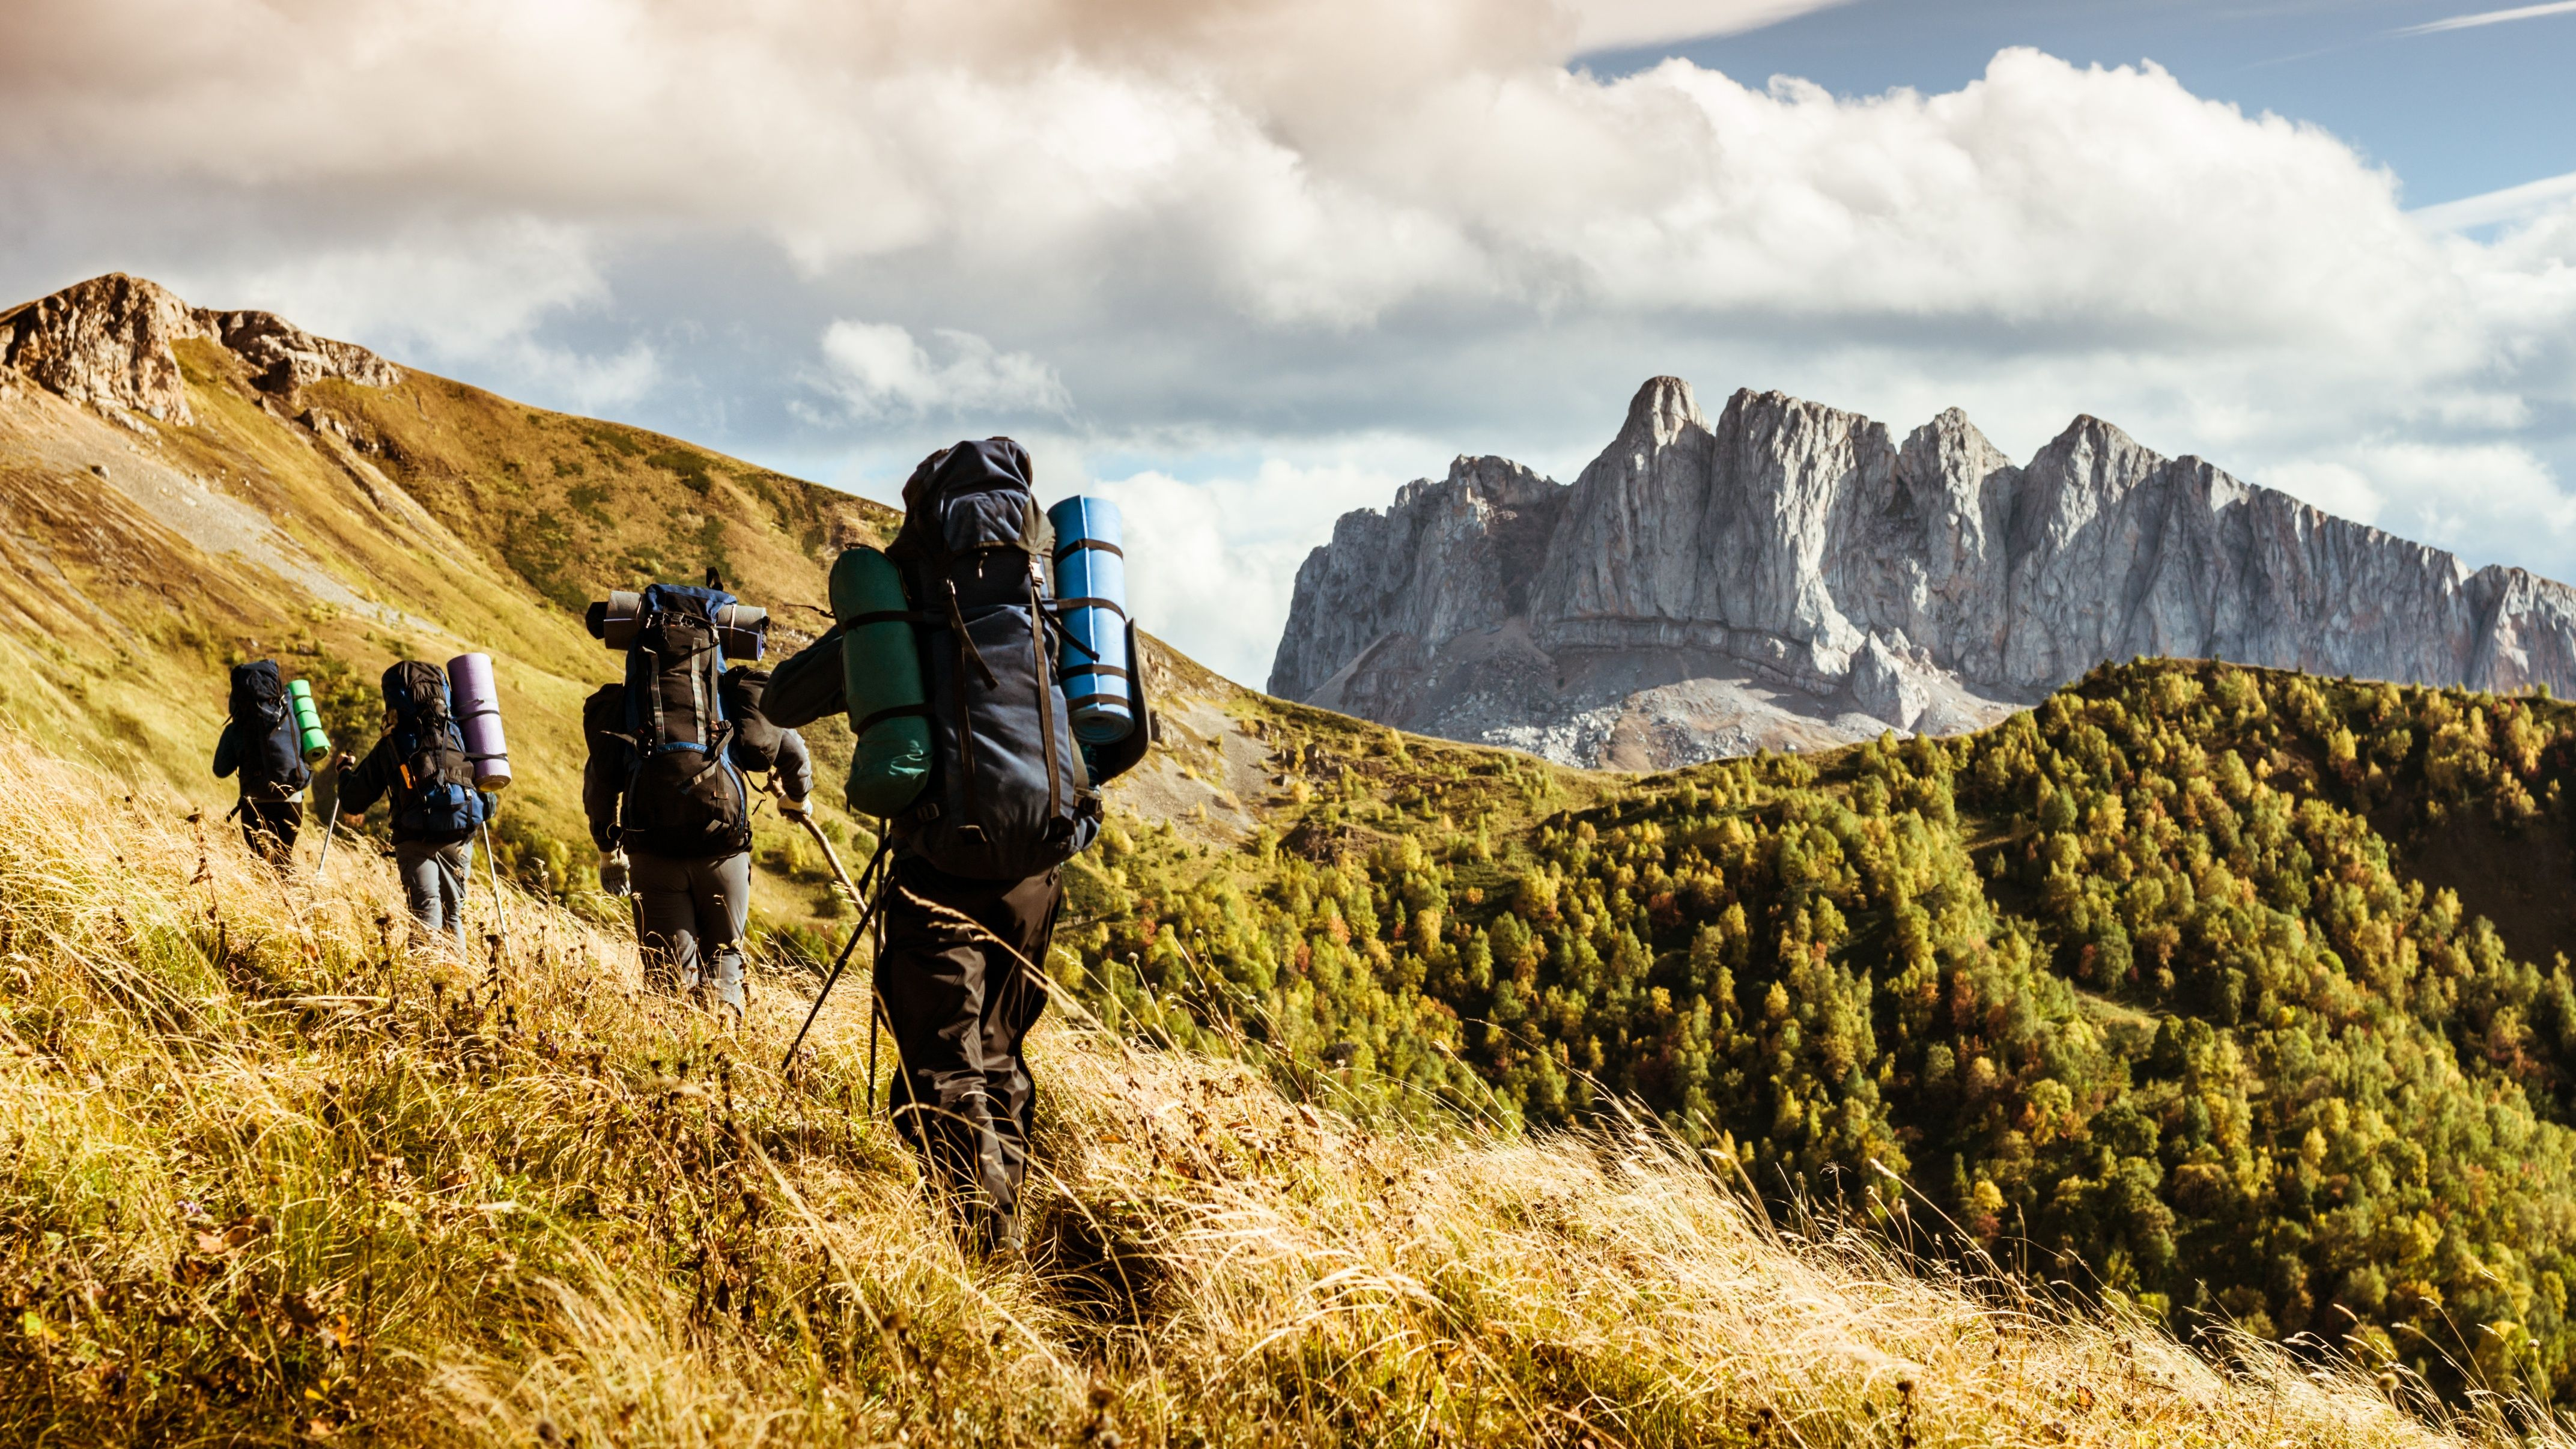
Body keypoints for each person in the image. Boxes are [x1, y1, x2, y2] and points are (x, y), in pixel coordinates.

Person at [760, 439, 1150, 1254]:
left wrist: (861, 656)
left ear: (925, 516)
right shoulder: (1053, 601)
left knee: (941, 1067)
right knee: (1000, 1055)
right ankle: (1011, 1220)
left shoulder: (905, 601)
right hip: (1040, 869)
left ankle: (985, 1251)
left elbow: (788, 702)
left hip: (940, 868)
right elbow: (1121, 735)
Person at [585, 664, 813, 1019]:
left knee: (668, 976)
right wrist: (797, 799)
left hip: (653, 852)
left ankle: (672, 1061)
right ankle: (722, 1052)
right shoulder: (732, 694)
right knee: (725, 957)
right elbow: (792, 750)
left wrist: (607, 851)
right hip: (723, 849)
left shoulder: (631, 701)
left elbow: (599, 782)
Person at [332, 661, 495, 955]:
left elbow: (354, 801)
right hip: (460, 834)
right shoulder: (460, 732)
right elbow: (489, 794)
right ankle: (458, 986)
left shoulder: (393, 744)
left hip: (415, 837)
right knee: (453, 916)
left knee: (424, 917)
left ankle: (422, 987)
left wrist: (344, 771)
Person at [213, 659, 311, 867]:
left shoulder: (236, 728)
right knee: (283, 862)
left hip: (254, 803)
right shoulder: (290, 717)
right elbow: (308, 753)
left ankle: (266, 899)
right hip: (291, 801)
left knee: (259, 866)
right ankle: (294, 898)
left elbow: (220, 770)